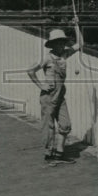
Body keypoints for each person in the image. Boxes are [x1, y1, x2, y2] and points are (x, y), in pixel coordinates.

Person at [28, 25, 83, 164]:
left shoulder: (65, 54)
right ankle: (49, 154)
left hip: (60, 95)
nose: (61, 44)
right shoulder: (46, 58)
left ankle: (59, 153)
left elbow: (81, 44)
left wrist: (77, 26)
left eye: (63, 42)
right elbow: (30, 70)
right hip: (48, 96)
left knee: (65, 124)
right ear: (53, 44)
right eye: (58, 42)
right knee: (49, 126)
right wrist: (41, 85)